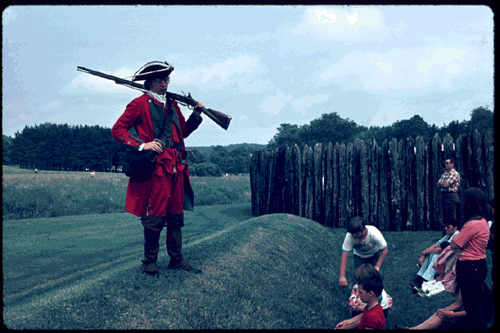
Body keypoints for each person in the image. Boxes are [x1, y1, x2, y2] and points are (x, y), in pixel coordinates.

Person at [112, 60, 204, 275]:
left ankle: (176, 259)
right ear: (150, 83)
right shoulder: (139, 104)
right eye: (160, 81)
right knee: (155, 213)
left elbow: (183, 131)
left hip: (177, 166)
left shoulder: (172, 105)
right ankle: (150, 262)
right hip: (158, 166)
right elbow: (118, 129)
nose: (165, 84)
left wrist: (197, 114)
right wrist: (142, 145)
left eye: (166, 80)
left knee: (175, 214)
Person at [450, 187, 491, 329]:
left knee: (473, 307)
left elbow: (454, 244)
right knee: (474, 303)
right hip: (477, 265)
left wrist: (458, 237)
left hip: (469, 267)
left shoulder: (472, 224)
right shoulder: (483, 221)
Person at [407, 285, 493, 329]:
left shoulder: (473, 284)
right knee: (440, 313)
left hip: (480, 318)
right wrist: (444, 311)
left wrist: (452, 315)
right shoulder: (464, 281)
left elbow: (474, 311)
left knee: (444, 319)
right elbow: (458, 304)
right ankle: (413, 329)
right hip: (470, 313)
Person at [335, 264, 392, 330]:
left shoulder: (373, 317)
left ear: (370, 293)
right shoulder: (372, 304)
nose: (358, 294)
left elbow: (367, 319)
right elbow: (364, 316)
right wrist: (347, 322)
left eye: (361, 292)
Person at [410, 217, 459, 290]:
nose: (445, 228)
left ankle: (426, 279)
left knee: (435, 256)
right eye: (445, 226)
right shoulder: (448, 235)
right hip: (448, 258)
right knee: (431, 253)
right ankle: (420, 277)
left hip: (454, 261)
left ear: (455, 228)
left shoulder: (456, 235)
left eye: (448, 227)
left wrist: (426, 252)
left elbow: (443, 249)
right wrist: (424, 254)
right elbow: (436, 245)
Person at [339, 216, 388, 288]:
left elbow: (384, 249)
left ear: (364, 230)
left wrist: (377, 266)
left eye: (358, 235)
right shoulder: (349, 237)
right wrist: (342, 276)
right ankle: (361, 295)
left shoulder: (374, 233)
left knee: (378, 276)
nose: (357, 238)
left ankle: (377, 295)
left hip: (374, 253)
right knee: (359, 278)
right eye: (354, 235)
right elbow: (345, 256)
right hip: (359, 255)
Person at [437, 158, 460, 228]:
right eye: (445, 163)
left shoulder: (454, 173)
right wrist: (443, 184)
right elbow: (438, 184)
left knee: (451, 216)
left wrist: (442, 184)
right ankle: (447, 232)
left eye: (447, 163)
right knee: (445, 216)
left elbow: (445, 185)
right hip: (444, 195)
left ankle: (454, 232)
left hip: (451, 195)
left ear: (452, 164)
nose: (446, 164)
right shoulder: (445, 173)